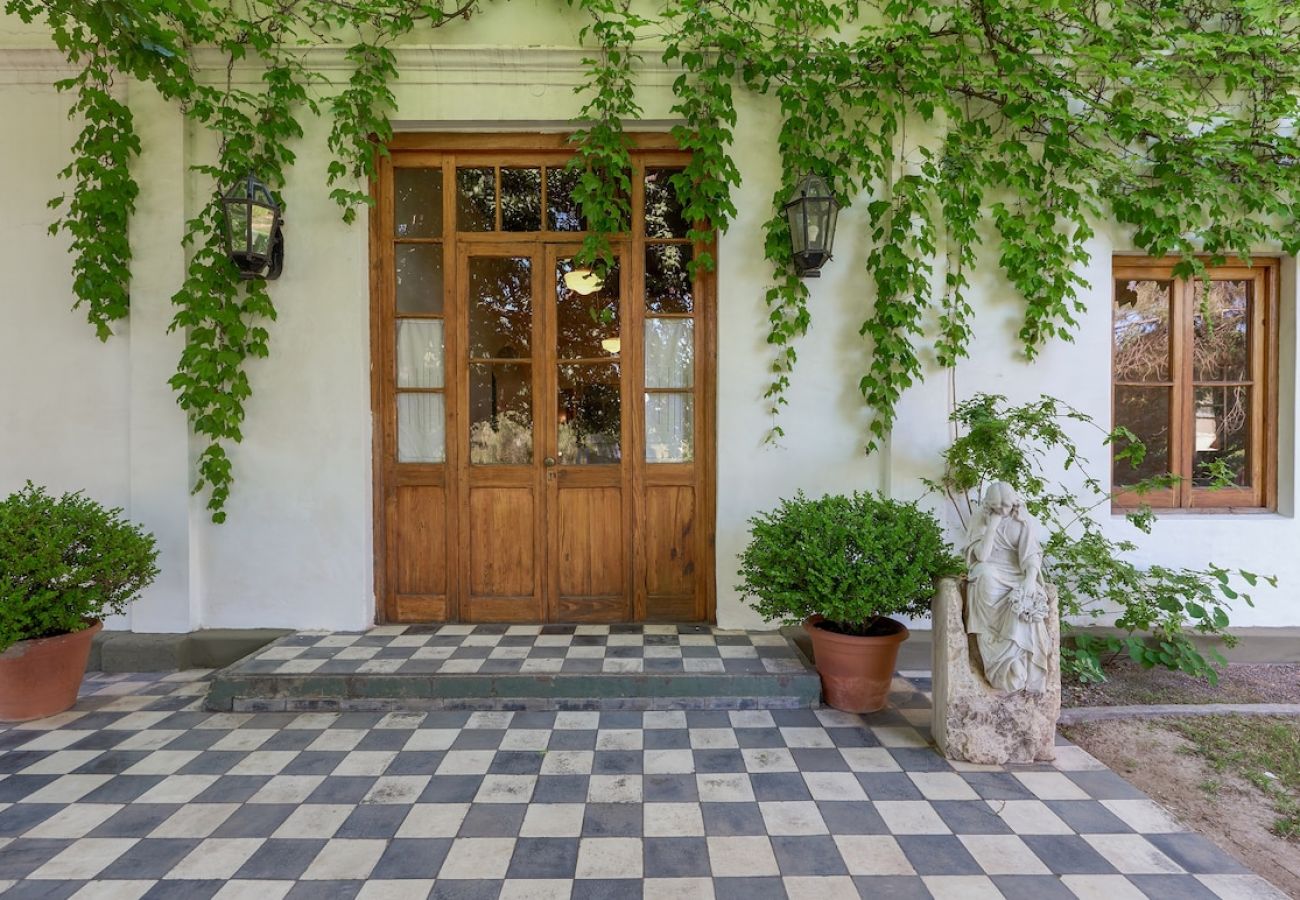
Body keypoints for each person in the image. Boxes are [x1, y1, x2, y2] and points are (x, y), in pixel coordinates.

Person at [963, 482, 1051, 693]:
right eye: (997, 506)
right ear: (988, 505)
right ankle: (995, 660)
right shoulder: (981, 519)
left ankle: (1017, 661)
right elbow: (982, 557)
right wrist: (992, 526)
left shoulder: (1022, 520)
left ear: (1014, 502)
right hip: (991, 570)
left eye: (1006, 506)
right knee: (983, 576)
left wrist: (1030, 579)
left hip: (1016, 572)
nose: (1003, 510)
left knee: (1025, 598)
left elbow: (1031, 555)